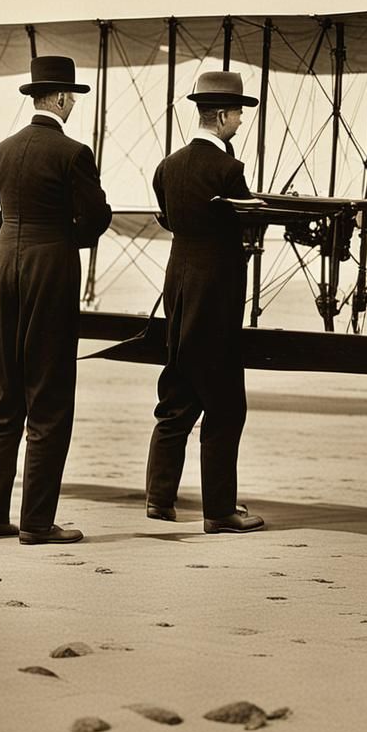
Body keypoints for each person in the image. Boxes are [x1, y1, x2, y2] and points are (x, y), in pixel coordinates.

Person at [0, 55, 112, 545]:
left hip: (3, 267)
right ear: (58, 97)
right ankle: (36, 522)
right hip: (49, 273)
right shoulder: (74, 152)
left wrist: (14, 236)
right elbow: (97, 218)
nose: (73, 103)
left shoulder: (2, 149)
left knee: (4, 398)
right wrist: (55, 238)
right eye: (72, 96)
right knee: (49, 399)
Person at [145, 71, 265, 534]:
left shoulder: (167, 166)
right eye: (237, 113)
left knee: (177, 394)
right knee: (226, 404)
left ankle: (160, 498)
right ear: (220, 115)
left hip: (178, 288)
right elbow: (243, 224)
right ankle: (219, 510)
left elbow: (171, 218)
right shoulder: (227, 169)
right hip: (215, 294)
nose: (239, 121)